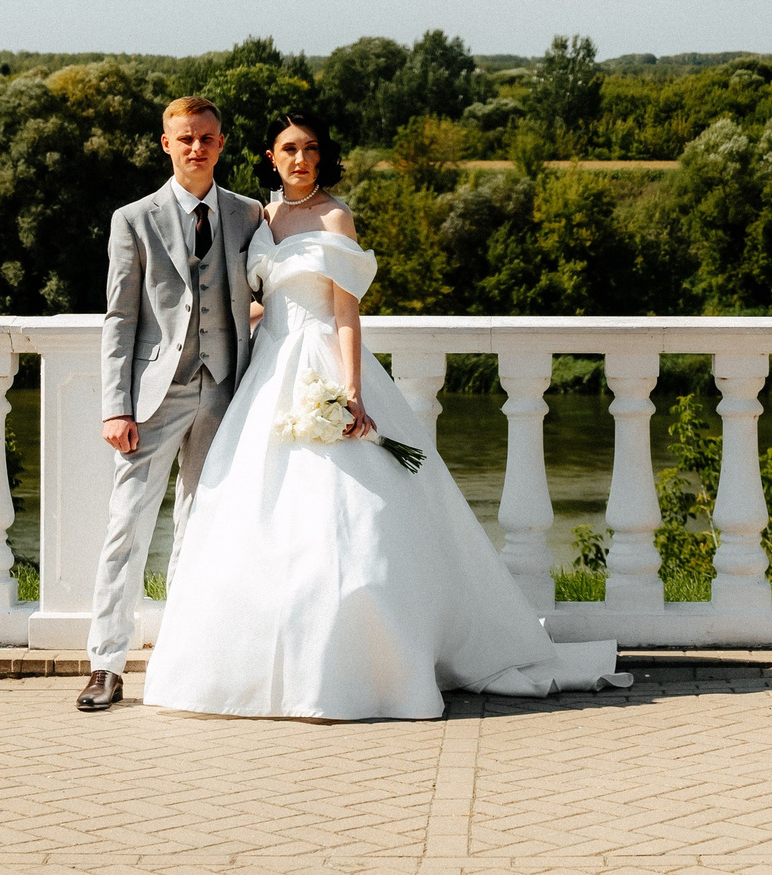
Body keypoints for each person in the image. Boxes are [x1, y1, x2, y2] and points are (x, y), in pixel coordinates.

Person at [137, 111, 628, 720]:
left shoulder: (335, 217)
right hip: (269, 367)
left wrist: (351, 390)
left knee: (351, 514)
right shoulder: (262, 217)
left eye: (310, 149)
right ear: (270, 156)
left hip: (323, 361)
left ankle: (364, 667)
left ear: (322, 156)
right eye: (288, 149)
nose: (300, 159)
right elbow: (263, 301)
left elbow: (345, 313)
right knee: (256, 510)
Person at [77, 95, 265, 713]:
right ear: (166, 143)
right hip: (155, 396)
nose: (196, 148)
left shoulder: (247, 214)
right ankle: (105, 663)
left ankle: (182, 659)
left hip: (225, 390)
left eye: (206, 138)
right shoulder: (133, 219)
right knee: (127, 527)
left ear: (221, 142)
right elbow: (119, 317)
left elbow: (262, 294)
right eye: (185, 138)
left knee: (201, 526)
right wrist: (116, 405)